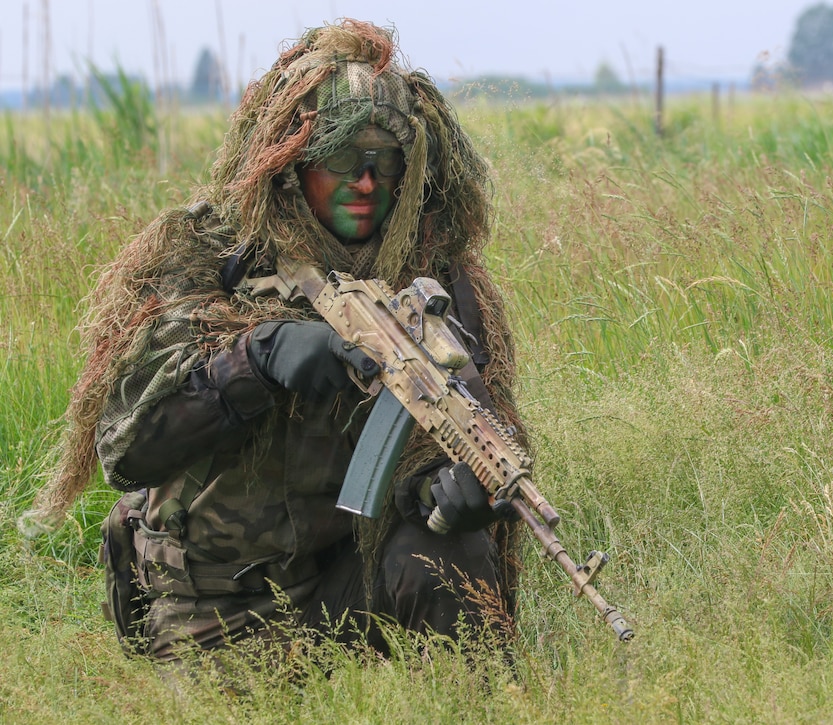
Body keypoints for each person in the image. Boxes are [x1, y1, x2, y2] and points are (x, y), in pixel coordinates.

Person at [31, 19, 525, 664]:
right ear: (291, 165)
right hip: (215, 604)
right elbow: (126, 451)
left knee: (451, 550)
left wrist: (447, 491)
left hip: (345, 583)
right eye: (342, 160)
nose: (366, 183)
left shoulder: (430, 279)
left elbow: (466, 421)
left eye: (384, 163)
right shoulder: (208, 260)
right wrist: (256, 361)